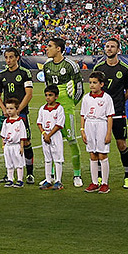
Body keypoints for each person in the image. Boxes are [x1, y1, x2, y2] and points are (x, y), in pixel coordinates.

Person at [89, 38, 128, 188]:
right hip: (100, 115)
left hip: (118, 112)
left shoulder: (125, 69)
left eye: (112, 47)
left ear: (118, 50)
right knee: (98, 147)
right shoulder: (98, 67)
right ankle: (100, 178)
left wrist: (119, 102)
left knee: (121, 144)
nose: (109, 49)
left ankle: (127, 176)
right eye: (107, 46)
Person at [42, 38, 84, 186]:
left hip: (67, 107)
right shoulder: (46, 66)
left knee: (72, 140)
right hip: (52, 108)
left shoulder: (71, 65)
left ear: (58, 49)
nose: (46, 49)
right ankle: (52, 175)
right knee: (51, 140)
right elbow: (48, 87)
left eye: (49, 46)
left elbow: (79, 88)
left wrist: (72, 103)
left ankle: (77, 175)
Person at [0, 47, 37, 184]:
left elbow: (29, 93)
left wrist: (19, 110)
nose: (8, 60)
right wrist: (4, 109)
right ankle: (9, 175)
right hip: (8, 115)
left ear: (17, 58)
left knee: (26, 142)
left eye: (11, 57)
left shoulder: (25, 73)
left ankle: (29, 174)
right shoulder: (2, 75)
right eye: (6, 57)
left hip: (21, 114)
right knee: (8, 143)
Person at [79, 72, 114, 193]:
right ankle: (94, 182)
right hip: (89, 125)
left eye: (95, 83)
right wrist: (82, 130)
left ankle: (104, 183)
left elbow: (109, 116)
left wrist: (108, 133)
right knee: (92, 154)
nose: (92, 85)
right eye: (90, 83)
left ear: (102, 84)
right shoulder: (86, 98)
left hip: (101, 125)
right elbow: (83, 115)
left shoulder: (107, 98)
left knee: (102, 154)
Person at [37, 85, 67, 190]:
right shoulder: (42, 108)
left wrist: (49, 135)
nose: (48, 97)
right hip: (45, 136)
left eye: (50, 95)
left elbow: (59, 124)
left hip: (55, 135)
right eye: (46, 95)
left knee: (57, 158)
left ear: (56, 96)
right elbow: (39, 123)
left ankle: (58, 181)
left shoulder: (59, 109)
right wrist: (44, 134)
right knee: (47, 158)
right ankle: (48, 180)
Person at [0, 99, 28, 188]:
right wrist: (3, 145)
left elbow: (22, 135)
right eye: (7, 108)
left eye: (11, 108)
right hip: (8, 146)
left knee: (19, 163)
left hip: (16, 145)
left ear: (16, 109)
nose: (9, 111)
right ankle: (10, 179)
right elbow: (3, 134)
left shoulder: (20, 122)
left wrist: (21, 147)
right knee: (9, 163)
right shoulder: (5, 122)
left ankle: (20, 180)